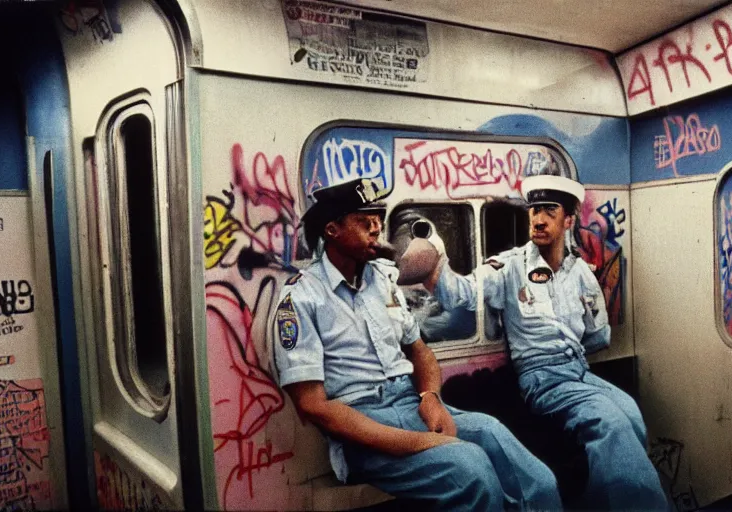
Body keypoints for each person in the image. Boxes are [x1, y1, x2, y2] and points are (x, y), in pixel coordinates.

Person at [273, 178, 561, 510]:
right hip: (363, 426)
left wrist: (431, 397)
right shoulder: (302, 297)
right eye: (364, 220)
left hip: (411, 405)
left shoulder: (382, 279)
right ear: (332, 230)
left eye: (378, 218)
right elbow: (315, 407)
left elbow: (418, 349)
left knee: (524, 466)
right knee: (470, 470)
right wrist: (416, 441)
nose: (376, 228)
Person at [416, 174, 670, 511]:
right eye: (534, 210)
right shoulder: (510, 267)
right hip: (542, 377)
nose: (538, 219)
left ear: (568, 220)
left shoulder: (579, 272)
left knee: (631, 416)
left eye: (549, 211)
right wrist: (436, 259)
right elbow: (458, 293)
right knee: (611, 424)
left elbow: (598, 335)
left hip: (578, 371)